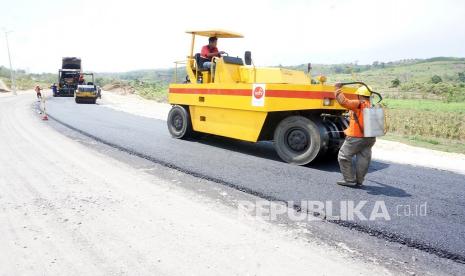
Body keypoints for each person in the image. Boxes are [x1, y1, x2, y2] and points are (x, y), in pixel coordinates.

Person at [334, 83, 376, 187]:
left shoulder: (359, 103)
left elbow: (343, 102)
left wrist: (337, 89)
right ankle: (359, 181)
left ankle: (349, 180)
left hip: (356, 137)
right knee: (363, 157)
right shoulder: (372, 105)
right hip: (370, 137)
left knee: (343, 155)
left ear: (360, 95)